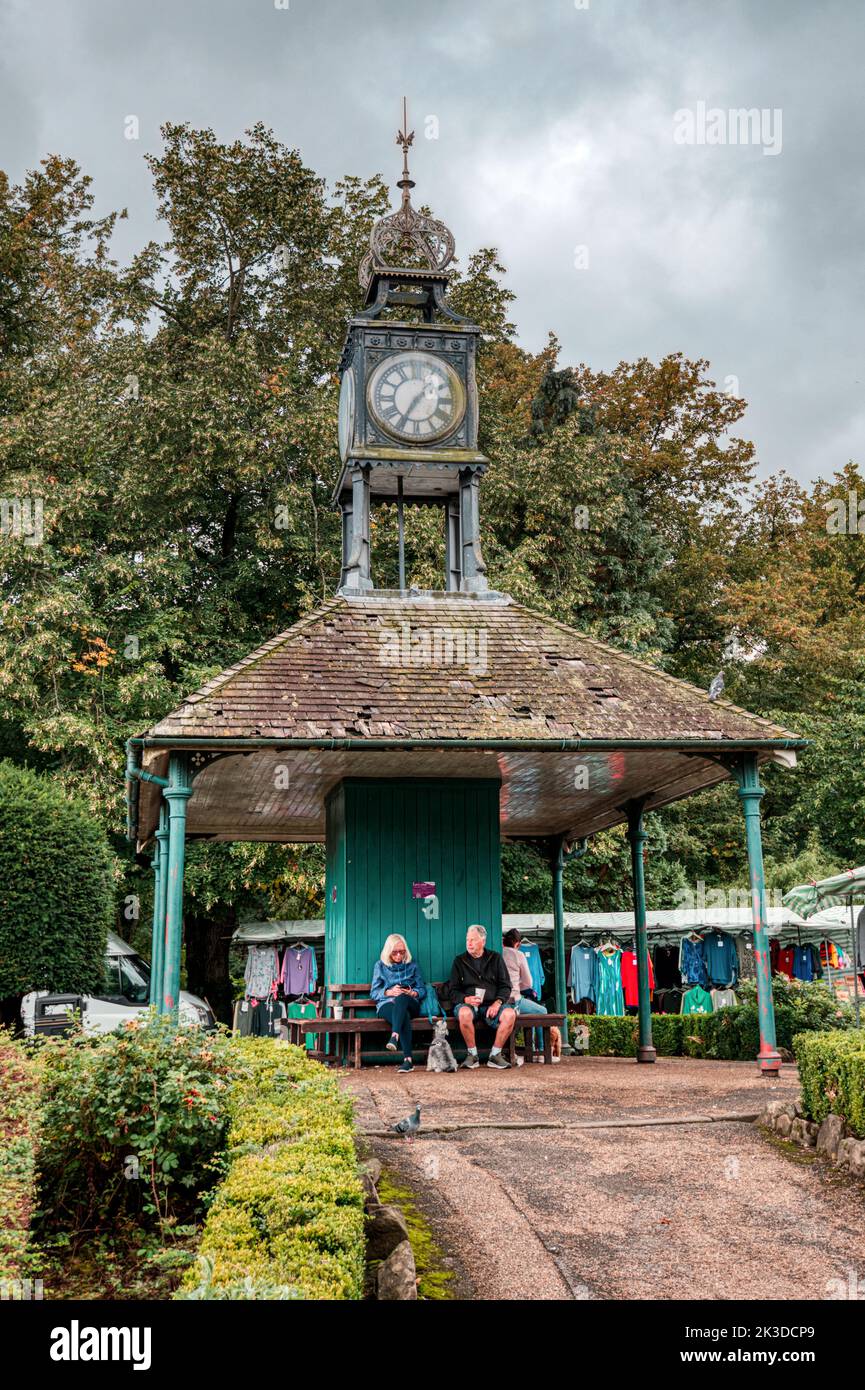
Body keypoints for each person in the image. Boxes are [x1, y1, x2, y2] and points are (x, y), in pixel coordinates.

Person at [449, 924, 516, 1069]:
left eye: (473, 940)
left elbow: (506, 986)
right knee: (464, 1013)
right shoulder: (459, 961)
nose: (469, 943)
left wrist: (497, 1003)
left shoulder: (495, 958)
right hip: (469, 1005)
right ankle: (472, 1056)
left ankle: (495, 1055)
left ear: (483, 941)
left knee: (510, 1014)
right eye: (468, 940)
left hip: (491, 1004)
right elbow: (452, 991)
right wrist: (466, 999)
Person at [502, 927, 561, 1062]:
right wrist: (518, 988)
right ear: (518, 944)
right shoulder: (519, 955)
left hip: (499, 1002)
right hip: (514, 1001)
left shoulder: (498, 953)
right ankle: (540, 1052)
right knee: (542, 1010)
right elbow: (528, 982)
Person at [371, 934, 427, 1073]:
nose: (398, 955)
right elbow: (374, 993)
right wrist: (389, 992)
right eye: (394, 952)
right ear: (388, 952)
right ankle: (408, 1061)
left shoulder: (412, 965)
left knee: (402, 997)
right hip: (387, 1003)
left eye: (401, 952)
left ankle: (394, 1035)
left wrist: (412, 993)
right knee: (403, 1016)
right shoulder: (380, 966)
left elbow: (422, 990)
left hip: (410, 1003)